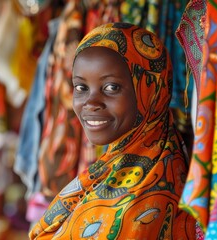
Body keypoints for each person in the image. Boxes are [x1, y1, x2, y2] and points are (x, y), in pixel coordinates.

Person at [29, 22, 195, 239]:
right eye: (81, 87)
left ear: (150, 89)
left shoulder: (143, 199)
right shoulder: (117, 167)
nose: (91, 103)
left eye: (111, 88)